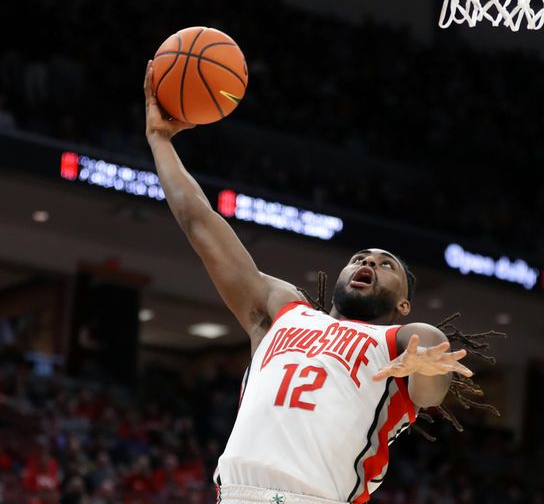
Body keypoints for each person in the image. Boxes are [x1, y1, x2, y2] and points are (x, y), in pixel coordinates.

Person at [143, 62, 475, 504]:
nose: (368, 264)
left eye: (385, 264)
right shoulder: (281, 311)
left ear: (403, 305)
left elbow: (429, 376)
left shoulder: (402, 343)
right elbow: (199, 223)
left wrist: (429, 370)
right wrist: (159, 140)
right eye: (360, 258)